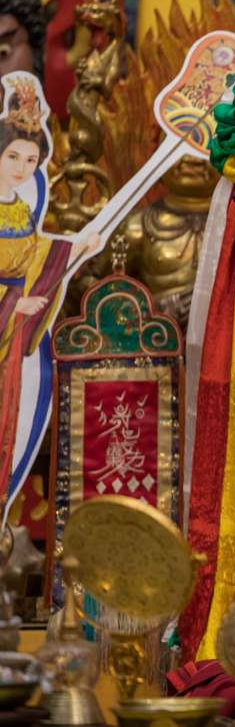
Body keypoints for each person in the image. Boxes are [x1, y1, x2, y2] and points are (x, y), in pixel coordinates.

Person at [0, 75, 97, 513]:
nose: (21, 168)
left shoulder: (20, 209)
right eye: (12, 156)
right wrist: (12, 302)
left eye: (30, 159)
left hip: (10, 337)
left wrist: (76, 247)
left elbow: (36, 250)